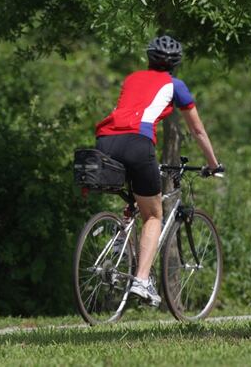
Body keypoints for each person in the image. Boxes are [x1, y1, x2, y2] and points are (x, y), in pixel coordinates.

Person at [95, 35, 222, 306]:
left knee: (135, 201)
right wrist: (213, 164)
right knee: (153, 215)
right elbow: (197, 130)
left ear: (149, 57)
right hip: (138, 144)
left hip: (105, 142)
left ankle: (119, 243)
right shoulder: (176, 85)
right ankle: (141, 280)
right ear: (176, 63)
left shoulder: (131, 78)